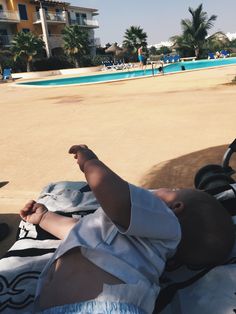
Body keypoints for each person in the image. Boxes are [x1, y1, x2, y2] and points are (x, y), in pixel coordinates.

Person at [20, 145, 235, 314]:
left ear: (176, 207)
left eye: (173, 190)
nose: (162, 190)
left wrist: (91, 163)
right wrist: (44, 218)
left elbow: (118, 198)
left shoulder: (166, 220)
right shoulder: (135, 238)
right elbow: (79, 233)